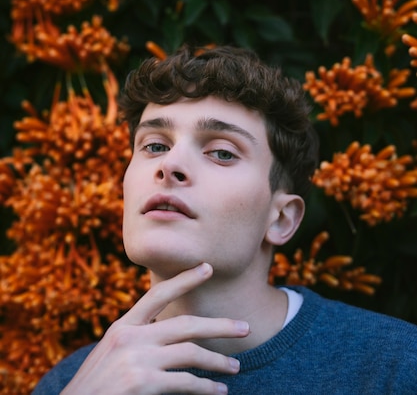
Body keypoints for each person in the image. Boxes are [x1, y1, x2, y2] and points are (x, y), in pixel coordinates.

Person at [33, 45, 417, 395]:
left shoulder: (393, 367)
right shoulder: (74, 383)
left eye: (221, 153)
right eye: (154, 146)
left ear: (281, 218)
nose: (170, 165)